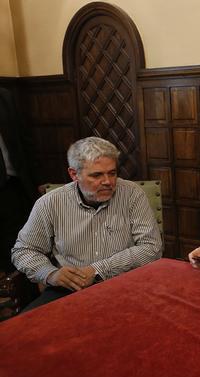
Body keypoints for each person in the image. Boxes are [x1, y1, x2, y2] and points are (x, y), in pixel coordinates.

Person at [12, 137, 163, 311]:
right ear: (74, 174)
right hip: (71, 289)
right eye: (97, 175)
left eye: (112, 173)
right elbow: (23, 250)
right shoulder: (49, 203)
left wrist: (96, 270)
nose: (108, 181)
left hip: (126, 283)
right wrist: (51, 274)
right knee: (27, 325)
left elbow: (151, 247)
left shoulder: (132, 194)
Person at [0, 87, 36, 277]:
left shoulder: (5, 96)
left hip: (14, 180)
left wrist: (36, 178)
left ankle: (17, 282)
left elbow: (24, 139)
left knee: (16, 236)